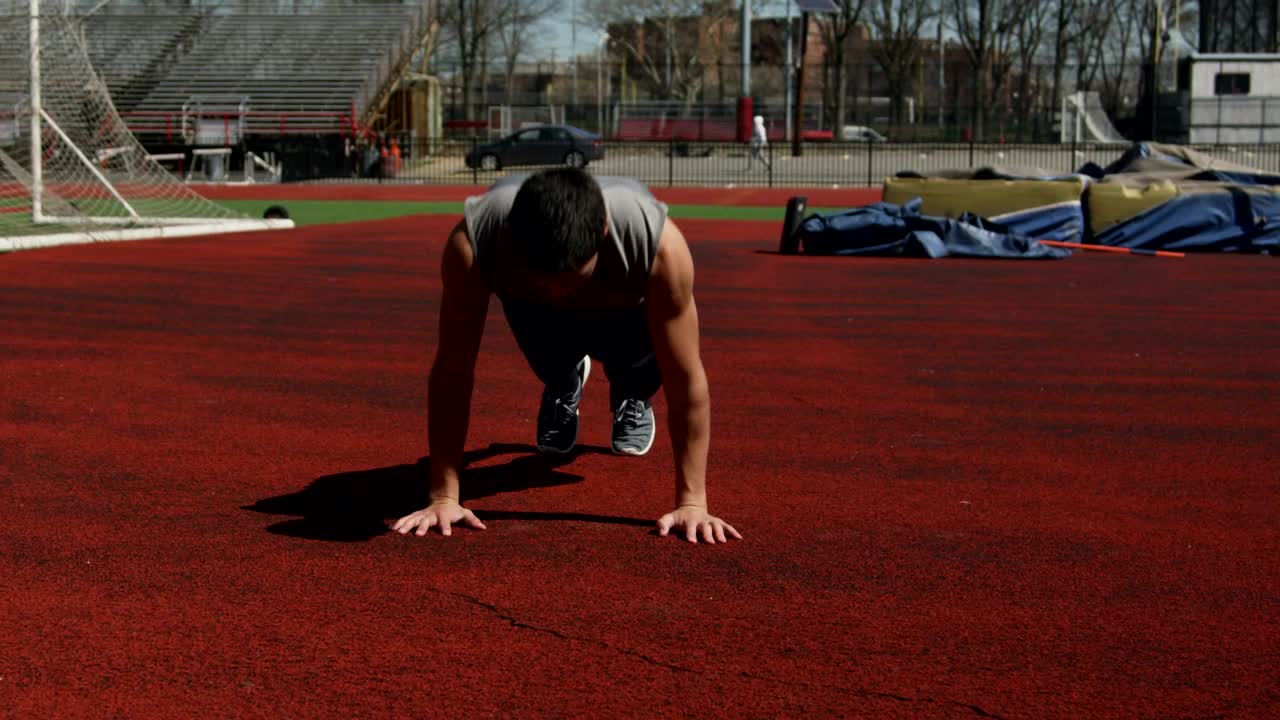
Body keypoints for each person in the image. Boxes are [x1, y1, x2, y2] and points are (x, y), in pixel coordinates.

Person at [392, 169, 741, 545]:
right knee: (552, 359)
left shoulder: (659, 248)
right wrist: (444, 495)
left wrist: (692, 502)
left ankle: (632, 394)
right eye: (546, 280)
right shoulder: (475, 245)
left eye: (572, 277)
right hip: (530, 302)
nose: (560, 293)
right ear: (512, 237)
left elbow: (685, 378)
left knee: (640, 366)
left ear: (603, 231)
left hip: (624, 299)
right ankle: (564, 379)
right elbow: (453, 371)